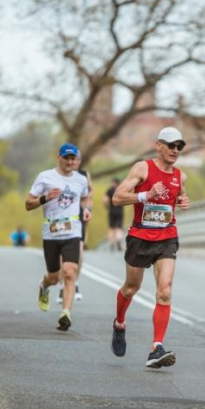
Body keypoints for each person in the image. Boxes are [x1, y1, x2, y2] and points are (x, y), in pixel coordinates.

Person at [109, 127, 190, 368]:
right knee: (131, 288)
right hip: (140, 237)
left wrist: (183, 200)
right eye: (171, 145)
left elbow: (179, 195)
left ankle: (157, 347)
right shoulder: (142, 168)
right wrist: (145, 196)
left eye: (179, 147)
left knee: (164, 290)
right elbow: (117, 197)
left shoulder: (180, 176)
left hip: (167, 237)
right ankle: (120, 323)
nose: (175, 150)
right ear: (159, 145)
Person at [25, 143, 91, 331]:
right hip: (51, 233)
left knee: (70, 272)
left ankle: (66, 314)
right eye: (66, 158)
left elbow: (85, 197)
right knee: (54, 277)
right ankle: (44, 286)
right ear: (59, 157)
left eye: (73, 158)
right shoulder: (45, 177)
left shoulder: (81, 180)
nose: (70, 162)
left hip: (73, 232)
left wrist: (85, 210)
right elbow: (28, 204)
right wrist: (44, 198)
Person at [57, 155, 92, 304]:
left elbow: (89, 194)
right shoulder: (59, 175)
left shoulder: (84, 175)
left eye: (77, 160)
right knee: (61, 253)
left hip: (79, 216)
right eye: (72, 159)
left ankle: (75, 282)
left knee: (79, 249)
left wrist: (88, 209)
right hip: (63, 216)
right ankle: (61, 284)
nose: (74, 162)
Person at [103, 177, 125, 252]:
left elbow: (105, 200)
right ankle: (118, 240)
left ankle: (112, 242)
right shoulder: (121, 190)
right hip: (120, 211)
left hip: (112, 211)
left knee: (111, 228)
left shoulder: (110, 190)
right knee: (119, 227)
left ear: (114, 182)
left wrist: (106, 206)